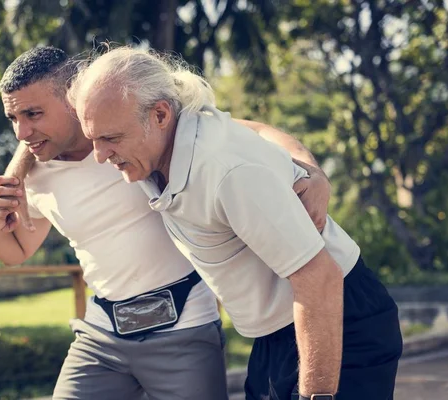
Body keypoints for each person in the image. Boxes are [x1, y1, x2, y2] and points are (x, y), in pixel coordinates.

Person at [0, 46, 332, 400]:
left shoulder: (138, 128)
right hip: (102, 334)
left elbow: (256, 132)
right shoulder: (33, 173)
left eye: (33, 114)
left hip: (185, 325)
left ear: (71, 97)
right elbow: (17, 251)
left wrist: (312, 171)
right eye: (14, 118)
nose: (21, 132)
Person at [67, 46, 403, 400]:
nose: (101, 156)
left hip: (338, 319)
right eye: (94, 139)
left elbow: (320, 279)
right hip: (278, 331)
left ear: (160, 114)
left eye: (111, 139)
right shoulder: (178, 135)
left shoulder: (226, 172)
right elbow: (257, 129)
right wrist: (310, 167)